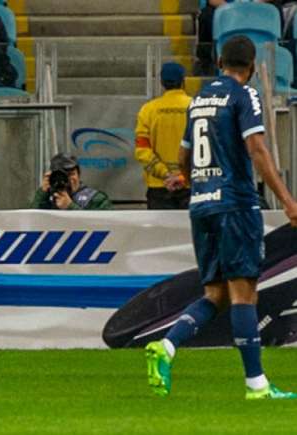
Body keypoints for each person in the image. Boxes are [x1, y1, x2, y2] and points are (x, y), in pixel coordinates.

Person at [145, 35, 297, 400]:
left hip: (202, 205)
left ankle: (166, 346)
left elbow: (184, 156)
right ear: (251, 67)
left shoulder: (200, 100)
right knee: (244, 293)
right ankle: (256, 385)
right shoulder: (245, 95)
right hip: (236, 204)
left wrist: (191, 178)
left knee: (215, 294)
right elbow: (257, 148)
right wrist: (288, 201)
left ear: (218, 60)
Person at [134, 62, 192, 209]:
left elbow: (142, 151)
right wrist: (182, 176)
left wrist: (166, 174)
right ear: (183, 81)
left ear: (161, 83)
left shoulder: (148, 110)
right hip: (190, 185)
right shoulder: (196, 106)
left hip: (159, 187)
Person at [30, 153, 112, 210]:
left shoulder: (95, 199)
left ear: (78, 175)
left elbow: (104, 226)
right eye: (62, 175)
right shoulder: (47, 198)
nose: (67, 179)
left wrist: (70, 206)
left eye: (71, 174)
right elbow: (30, 222)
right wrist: (42, 193)